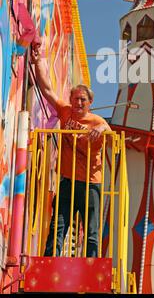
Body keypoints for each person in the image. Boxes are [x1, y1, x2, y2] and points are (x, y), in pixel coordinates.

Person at [31, 44, 111, 257]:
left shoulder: (97, 121)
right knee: (58, 226)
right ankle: (50, 262)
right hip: (67, 181)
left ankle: (93, 266)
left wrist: (103, 129)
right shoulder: (65, 112)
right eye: (75, 98)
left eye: (82, 99)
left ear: (90, 102)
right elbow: (47, 89)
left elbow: (110, 134)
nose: (78, 102)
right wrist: (39, 60)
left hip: (90, 184)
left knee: (92, 231)